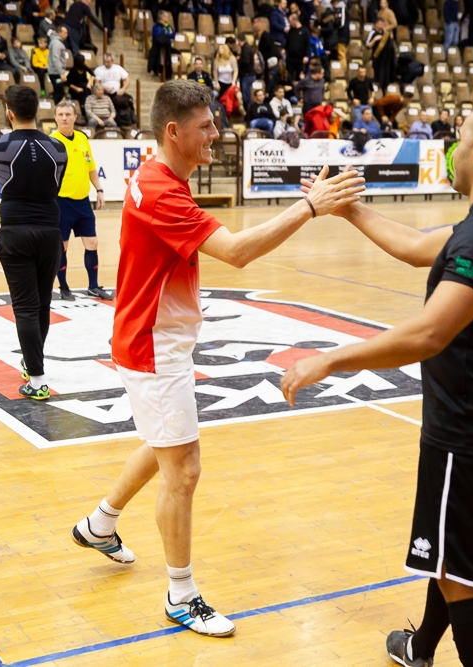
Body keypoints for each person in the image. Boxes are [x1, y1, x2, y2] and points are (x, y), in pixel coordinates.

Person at [71, 79, 364, 638]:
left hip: (157, 339)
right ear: (173, 131)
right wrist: (309, 206)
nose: (216, 134)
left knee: (165, 444)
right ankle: (181, 595)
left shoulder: (158, 177)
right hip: (152, 345)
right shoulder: (160, 190)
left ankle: (100, 524)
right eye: (206, 126)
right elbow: (237, 252)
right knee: (183, 470)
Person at [280, 103, 473, 667]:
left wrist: (330, 360)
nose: (453, 148)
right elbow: (415, 248)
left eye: (460, 137)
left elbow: (429, 333)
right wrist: (351, 210)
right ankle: (420, 648)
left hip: (469, 431)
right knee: (452, 557)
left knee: (462, 577)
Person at [0, 86, 69, 400]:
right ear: (38, 112)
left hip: (15, 232)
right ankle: (32, 364)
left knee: (25, 308)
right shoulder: (59, 148)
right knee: (42, 304)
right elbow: (54, 187)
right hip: (50, 232)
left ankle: (37, 380)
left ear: (9, 113)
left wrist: (3, 182)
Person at [50, 100, 110, 300]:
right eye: (61, 115)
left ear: (75, 117)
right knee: (62, 246)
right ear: (55, 117)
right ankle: (63, 287)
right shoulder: (51, 141)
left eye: (68, 114)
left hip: (83, 201)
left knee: (92, 243)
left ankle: (93, 286)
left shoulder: (82, 138)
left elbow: (91, 167)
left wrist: (99, 190)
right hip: (61, 202)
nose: (64, 118)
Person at [48, 25, 70, 104]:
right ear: (59, 33)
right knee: (58, 94)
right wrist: (61, 73)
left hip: (56, 72)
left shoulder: (57, 42)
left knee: (60, 92)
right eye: (65, 33)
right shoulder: (57, 43)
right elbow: (56, 58)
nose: (67, 35)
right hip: (56, 73)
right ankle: (56, 110)